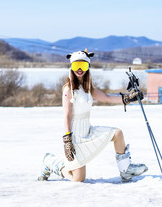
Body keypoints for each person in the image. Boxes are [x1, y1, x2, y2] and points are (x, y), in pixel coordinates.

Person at [37, 49, 148, 182]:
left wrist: (128, 98)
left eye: (83, 66)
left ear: (88, 67)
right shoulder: (68, 88)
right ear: (71, 68)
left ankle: (125, 170)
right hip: (75, 137)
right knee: (78, 179)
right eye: (76, 66)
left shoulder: (88, 88)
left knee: (117, 133)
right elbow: (66, 114)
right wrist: (67, 139)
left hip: (88, 131)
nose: (79, 69)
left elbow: (107, 97)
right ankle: (51, 162)